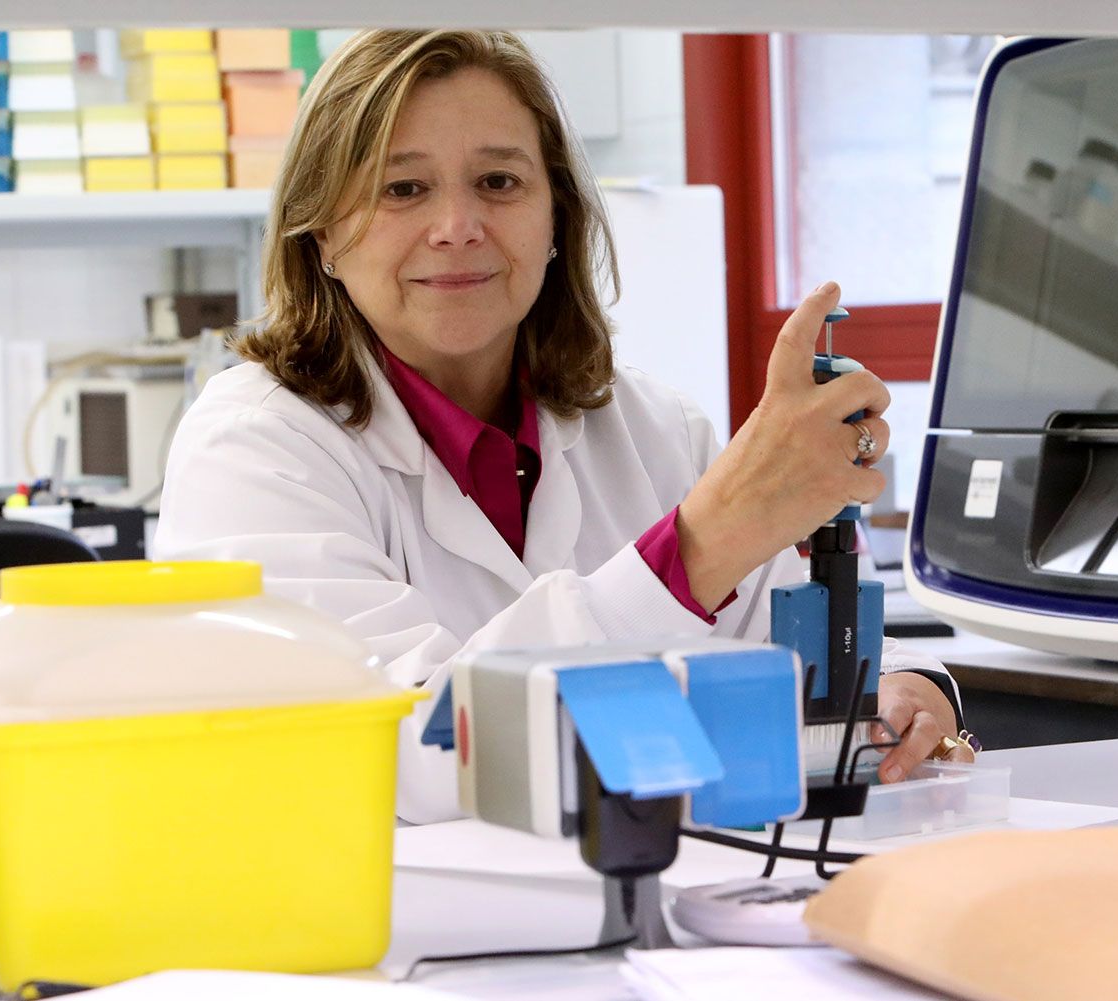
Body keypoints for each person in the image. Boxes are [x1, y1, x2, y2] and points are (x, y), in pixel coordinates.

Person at [154, 29, 972, 825]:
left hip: (655, 924)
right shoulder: (253, 448)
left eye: (500, 183)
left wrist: (913, 689)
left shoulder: (652, 428)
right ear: (322, 232)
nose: (458, 226)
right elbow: (397, 749)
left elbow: (796, 654)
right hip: (394, 941)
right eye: (402, 189)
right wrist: (694, 550)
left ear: (557, 220)